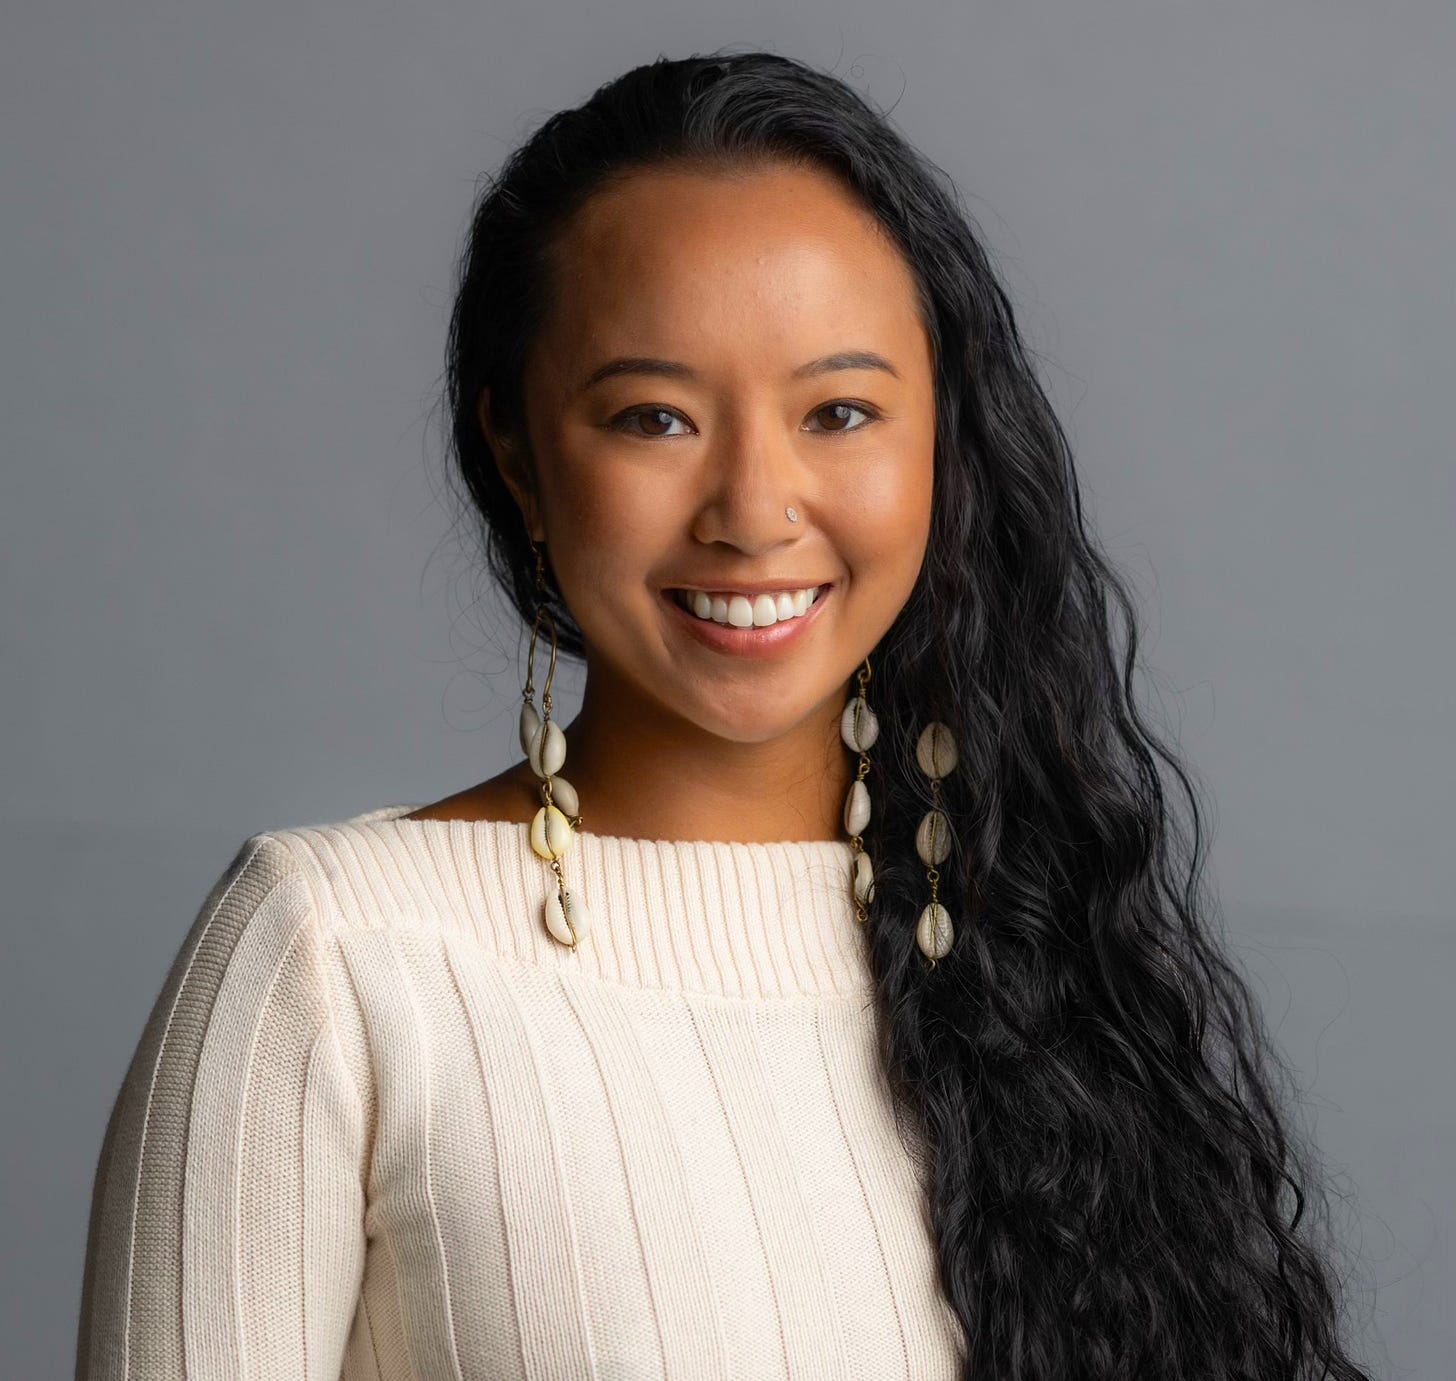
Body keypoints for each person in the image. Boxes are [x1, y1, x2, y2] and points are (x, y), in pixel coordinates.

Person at [75, 50, 1373, 1380]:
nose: (754, 509)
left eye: (841, 411)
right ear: (517, 452)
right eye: (654, 417)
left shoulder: (1029, 972)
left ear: (945, 440)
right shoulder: (335, 959)